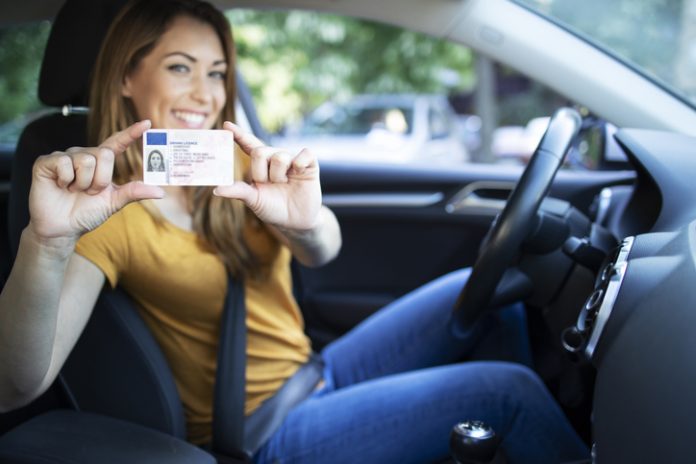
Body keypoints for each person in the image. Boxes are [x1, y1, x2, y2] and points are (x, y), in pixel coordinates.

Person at [0, 0, 589, 462]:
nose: (205, 94)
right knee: (507, 391)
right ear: (127, 77)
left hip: (313, 370)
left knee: (488, 293)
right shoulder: (105, 209)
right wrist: (45, 244)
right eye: (180, 67)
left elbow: (322, 249)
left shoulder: (226, 160)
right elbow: (19, 386)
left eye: (217, 72)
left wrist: (306, 222)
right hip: (265, 430)